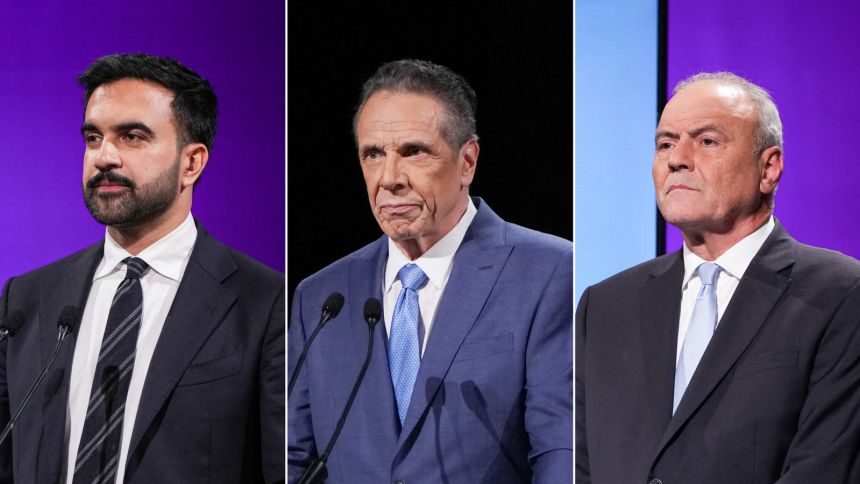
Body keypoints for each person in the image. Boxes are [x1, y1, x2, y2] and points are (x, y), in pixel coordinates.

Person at [0, 53, 284, 483]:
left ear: (192, 163)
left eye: (132, 137)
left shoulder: (264, 303)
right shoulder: (27, 298)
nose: (104, 157)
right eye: (93, 137)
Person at [288, 59, 572, 483]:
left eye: (413, 152)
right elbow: (292, 455)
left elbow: (559, 451)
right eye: (373, 154)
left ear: (467, 162)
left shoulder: (549, 272)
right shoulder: (322, 297)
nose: (389, 178)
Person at [576, 72, 860, 483]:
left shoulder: (838, 293)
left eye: (707, 141)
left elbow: (825, 467)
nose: (677, 159)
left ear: (769, 168)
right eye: (666, 143)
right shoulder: (603, 306)